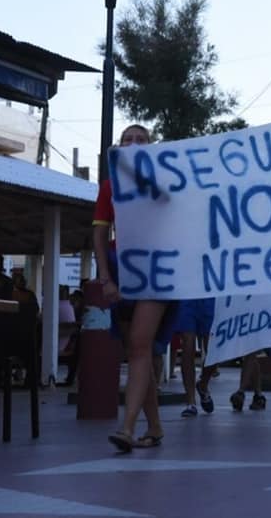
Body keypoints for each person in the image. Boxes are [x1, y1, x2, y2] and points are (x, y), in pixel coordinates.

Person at [94, 124, 177, 453]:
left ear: (151, 148)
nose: (134, 143)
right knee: (138, 353)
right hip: (122, 271)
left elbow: (173, 206)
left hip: (158, 273)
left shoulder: (164, 183)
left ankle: (127, 427)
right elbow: (100, 234)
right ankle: (154, 427)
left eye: (141, 140)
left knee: (141, 347)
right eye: (128, 139)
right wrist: (105, 277)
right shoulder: (108, 187)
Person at [175, 298, 217, 418]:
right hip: (187, 297)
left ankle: (203, 385)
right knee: (188, 346)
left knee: (214, 350)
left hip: (210, 296)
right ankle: (190, 402)